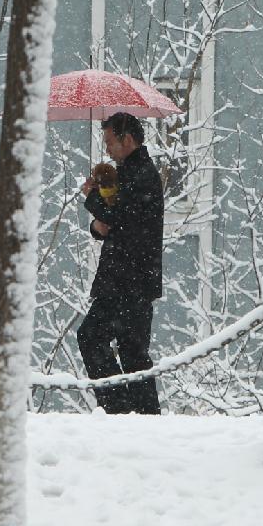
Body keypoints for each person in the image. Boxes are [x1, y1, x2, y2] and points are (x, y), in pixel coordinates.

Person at [77, 112, 163, 414]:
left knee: (92, 337)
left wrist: (91, 198)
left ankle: (120, 408)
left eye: (111, 142)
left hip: (128, 279)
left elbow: (119, 219)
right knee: (132, 352)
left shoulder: (141, 175)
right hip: (130, 278)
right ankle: (140, 415)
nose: (108, 149)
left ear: (128, 139)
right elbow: (112, 223)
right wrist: (97, 224)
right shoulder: (128, 173)